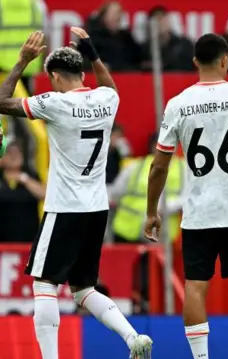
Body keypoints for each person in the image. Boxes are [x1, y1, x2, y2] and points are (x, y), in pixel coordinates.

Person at [0, 29, 152, 359]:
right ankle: (132, 337)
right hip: (96, 210)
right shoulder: (106, 99)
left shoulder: (55, 103)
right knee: (83, 289)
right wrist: (93, 51)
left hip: (64, 208)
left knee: (44, 285)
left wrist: (22, 62)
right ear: (83, 74)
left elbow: (1, 102)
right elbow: (110, 85)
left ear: (54, 77)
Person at [144, 33, 228, 359]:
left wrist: (152, 211)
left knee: (196, 286)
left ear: (194, 63)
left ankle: (201, 357)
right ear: (226, 59)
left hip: (199, 211)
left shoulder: (178, 104)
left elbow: (158, 167)